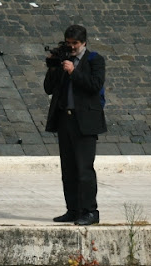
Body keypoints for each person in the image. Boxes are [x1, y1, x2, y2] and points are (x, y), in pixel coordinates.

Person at [44, 24, 106, 226]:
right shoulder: (64, 61)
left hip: (86, 123)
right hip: (65, 120)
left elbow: (95, 86)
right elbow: (48, 89)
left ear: (84, 42)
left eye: (75, 43)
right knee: (68, 169)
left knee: (84, 169)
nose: (71, 47)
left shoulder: (94, 60)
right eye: (68, 43)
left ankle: (90, 211)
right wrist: (53, 66)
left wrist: (73, 72)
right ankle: (73, 209)